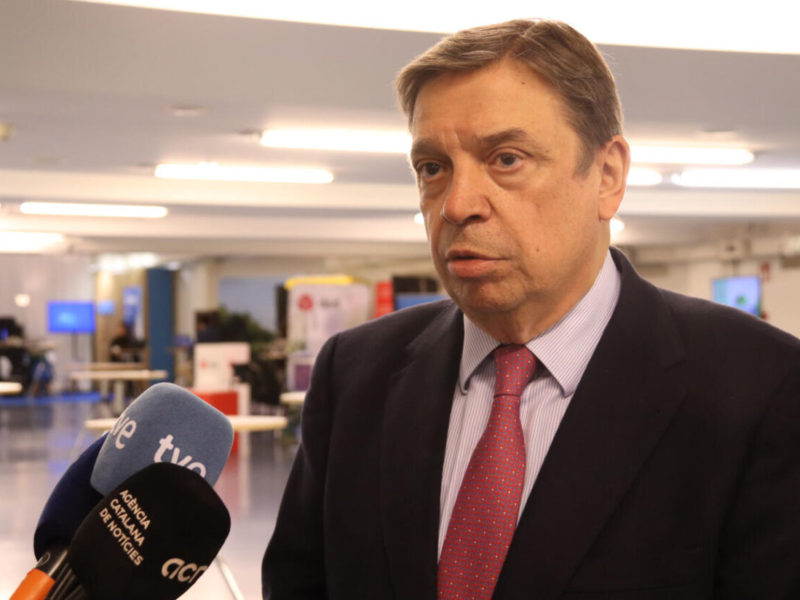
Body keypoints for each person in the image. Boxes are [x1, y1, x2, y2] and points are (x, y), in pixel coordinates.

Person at [262, 20, 800, 599]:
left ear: (608, 177)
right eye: (432, 167)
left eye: (506, 159)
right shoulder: (354, 374)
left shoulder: (762, 388)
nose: (456, 205)